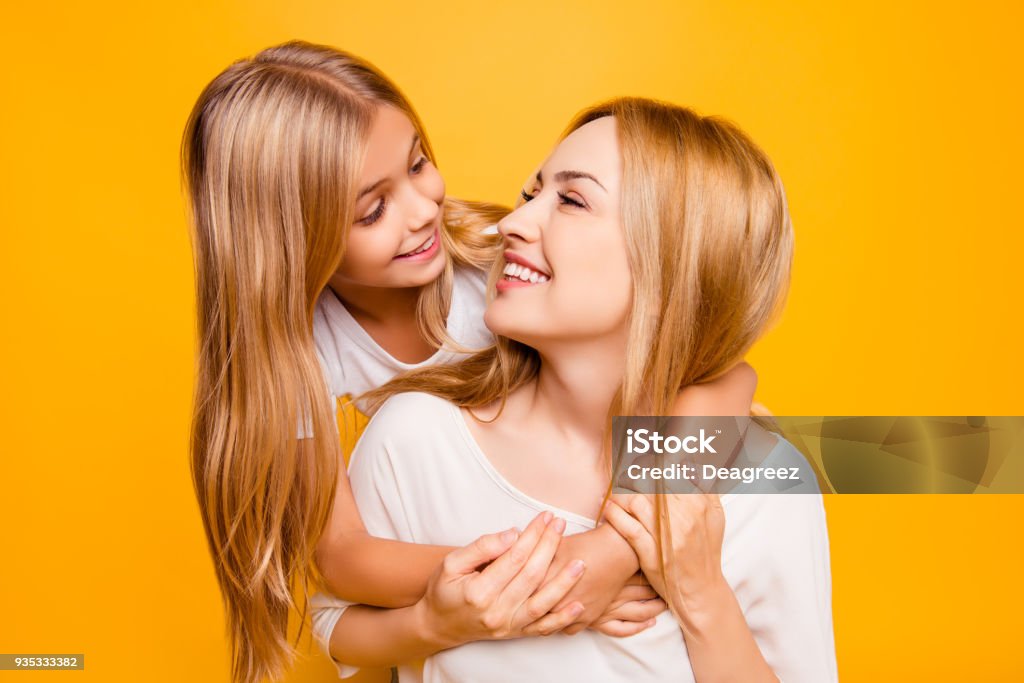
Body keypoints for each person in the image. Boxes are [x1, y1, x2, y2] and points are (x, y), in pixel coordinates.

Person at [182, 42, 756, 683]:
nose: (424, 209)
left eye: (419, 163)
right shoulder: (326, 381)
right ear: (290, 243)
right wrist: (540, 582)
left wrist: (611, 550)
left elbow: (728, 377)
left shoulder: (497, 253)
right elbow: (342, 561)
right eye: (373, 210)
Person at [317, 98, 836, 681]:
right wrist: (473, 605)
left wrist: (699, 593)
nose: (511, 222)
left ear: (672, 265)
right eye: (531, 193)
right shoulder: (413, 441)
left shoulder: (763, 482)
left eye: (571, 199)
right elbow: (338, 601)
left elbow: (733, 376)